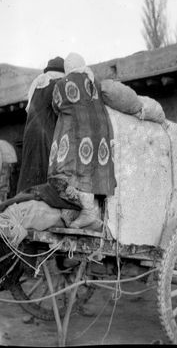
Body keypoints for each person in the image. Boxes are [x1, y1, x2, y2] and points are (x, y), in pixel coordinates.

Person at [47, 52, 116, 230]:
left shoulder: (62, 84)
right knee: (90, 170)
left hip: (78, 133)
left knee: (63, 169)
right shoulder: (95, 82)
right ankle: (89, 212)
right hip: (100, 133)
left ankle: (86, 211)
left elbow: (56, 106)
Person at [16, 57, 65, 193]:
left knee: (29, 169)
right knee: (45, 169)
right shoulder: (57, 84)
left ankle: (25, 200)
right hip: (46, 132)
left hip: (30, 133)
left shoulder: (38, 85)